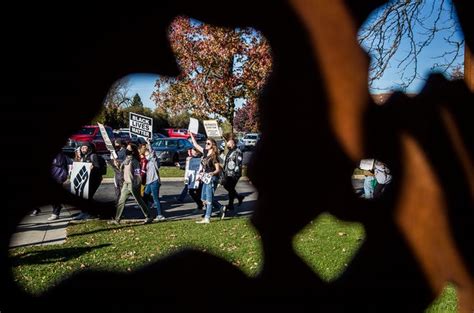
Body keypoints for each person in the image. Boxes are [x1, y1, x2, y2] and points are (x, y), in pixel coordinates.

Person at [108, 143, 153, 225]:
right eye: (127, 148)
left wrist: (137, 184)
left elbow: (138, 174)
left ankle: (149, 216)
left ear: (132, 151)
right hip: (126, 183)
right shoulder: (126, 160)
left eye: (129, 149)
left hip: (133, 184)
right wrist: (117, 165)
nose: (127, 150)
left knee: (139, 201)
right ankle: (117, 219)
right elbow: (122, 171)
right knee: (121, 201)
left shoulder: (135, 161)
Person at [189, 133, 224, 223]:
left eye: (208, 143)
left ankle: (207, 217)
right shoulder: (205, 152)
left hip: (212, 179)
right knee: (203, 198)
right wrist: (191, 135)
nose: (206, 145)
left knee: (208, 198)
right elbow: (196, 145)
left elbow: (217, 169)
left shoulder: (214, 156)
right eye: (206, 143)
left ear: (213, 145)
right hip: (206, 178)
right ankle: (220, 207)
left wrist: (212, 173)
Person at [72, 141, 104, 220]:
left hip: (94, 180)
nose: (83, 149)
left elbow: (98, 167)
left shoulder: (93, 156)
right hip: (87, 180)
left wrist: (93, 168)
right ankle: (89, 212)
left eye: (85, 148)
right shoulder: (84, 157)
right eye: (82, 148)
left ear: (89, 148)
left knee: (87, 197)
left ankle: (88, 213)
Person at [221, 134, 245, 216]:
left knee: (229, 187)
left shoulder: (238, 151)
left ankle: (232, 204)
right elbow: (225, 160)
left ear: (233, 143)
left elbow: (238, 163)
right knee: (227, 186)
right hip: (228, 173)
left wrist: (235, 173)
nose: (228, 144)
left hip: (234, 174)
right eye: (227, 143)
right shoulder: (229, 151)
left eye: (229, 143)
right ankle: (238, 197)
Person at [143, 142, 165, 221]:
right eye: (145, 155)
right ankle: (148, 214)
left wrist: (149, 143)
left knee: (156, 199)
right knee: (145, 197)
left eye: (147, 154)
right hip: (149, 182)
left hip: (155, 181)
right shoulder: (148, 162)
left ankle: (160, 215)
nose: (146, 156)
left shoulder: (154, 161)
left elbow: (152, 153)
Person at [109, 139, 127, 205]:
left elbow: (126, 161)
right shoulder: (116, 151)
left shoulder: (124, 151)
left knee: (121, 187)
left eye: (117, 143)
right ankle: (117, 201)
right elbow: (112, 160)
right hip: (116, 172)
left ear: (121, 144)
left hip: (122, 172)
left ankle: (121, 201)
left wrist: (119, 163)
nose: (115, 145)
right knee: (116, 187)